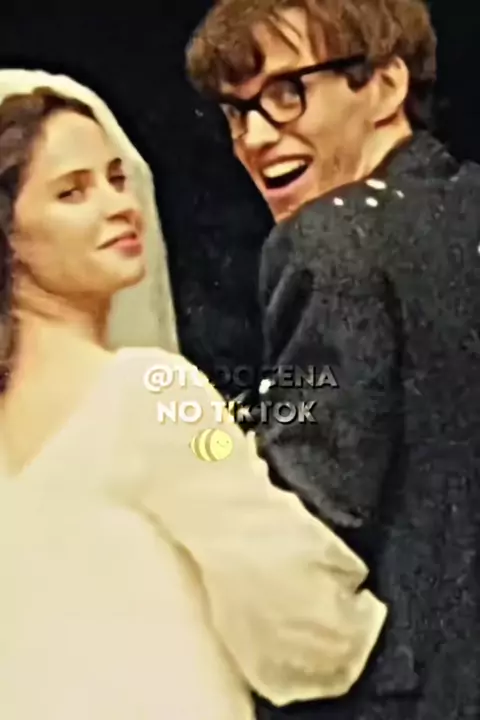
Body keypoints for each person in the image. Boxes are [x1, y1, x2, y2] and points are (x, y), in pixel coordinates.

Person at [0, 72, 386, 719]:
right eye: (73, 192)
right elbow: (305, 627)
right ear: (8, 237)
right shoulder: (150, 393)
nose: (120, 206)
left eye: (117, 179)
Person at [186, 1, 480, 718]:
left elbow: (311, 509)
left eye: (289, 93)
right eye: (237, 111)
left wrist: (191, 461)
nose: (256, 137)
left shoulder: (331, 240)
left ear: (385, 85)